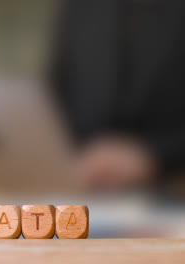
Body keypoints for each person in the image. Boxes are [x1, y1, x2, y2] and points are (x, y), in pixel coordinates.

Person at [51, 0, 185, 190]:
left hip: (171, 188)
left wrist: (154, 155)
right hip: (85, 186)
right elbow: (57, 95)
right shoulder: (81, 7)